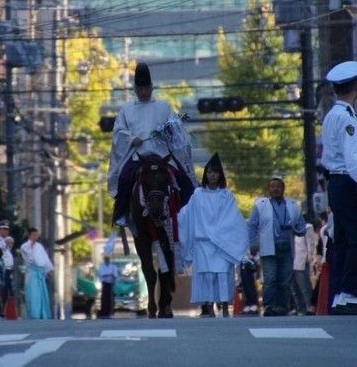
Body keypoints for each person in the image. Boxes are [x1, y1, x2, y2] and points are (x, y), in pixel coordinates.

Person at [107, 62, 197, 227]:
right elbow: (119, 132)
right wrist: (131, 138)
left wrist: (170, 130)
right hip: (138, 157)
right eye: (140, 89)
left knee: (184, 180)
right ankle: (121, 214)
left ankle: (190, 212)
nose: (143, 92)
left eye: (146, 88)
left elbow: (176, 129)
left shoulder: (164, 107)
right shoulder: (127, 109)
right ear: (135, 89)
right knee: (125, 178)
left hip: (162, 156)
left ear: (151, 87)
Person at [178, 153, 249, 317]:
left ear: (220, 175)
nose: (212, 175)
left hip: (221, 243)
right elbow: (187, 215)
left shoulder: (226, 195)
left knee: (223, 274)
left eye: (216, 172)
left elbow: (232, 218)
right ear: (205, 174)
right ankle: (210, 308)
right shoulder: (198, 195)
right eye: (209, 172)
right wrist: (174, 218)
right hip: (203, 244)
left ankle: (224, 306)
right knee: (207, 275)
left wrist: (218, 233)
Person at [321, 60, 357, 315]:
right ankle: (350, 292)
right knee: (355, 238)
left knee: (344, 239)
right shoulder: (346, 118)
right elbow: (352, 158)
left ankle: (342, 295)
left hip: (335, 182)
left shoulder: (332, 115)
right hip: (347, 180)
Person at [248, 177, 306, 316]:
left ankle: (281, 306)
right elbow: (252, 226)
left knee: (285, 280)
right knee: (270, 278)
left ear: (283, 189)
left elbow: (301, 225)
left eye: (278, 186)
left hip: (286, 248)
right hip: (268, 248)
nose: (275, 189)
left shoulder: (292, 205)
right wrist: (253, 243)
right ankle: (269, 306)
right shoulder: (260, 205)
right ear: (268, 189)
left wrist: (296, 229)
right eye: (272, 186)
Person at [20, 227, 54, 319]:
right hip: (32, 272)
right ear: (29, 235)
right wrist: (31, 246)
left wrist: (49, 270)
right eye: (34, 235)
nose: (35, 237)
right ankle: (34, 315)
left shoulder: (39, 246)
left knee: (42, 294)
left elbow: (45, 258)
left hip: (40, 272)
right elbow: (29, 259)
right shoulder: (24, 246)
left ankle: (43, 314)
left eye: (36, 235)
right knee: (33, 294)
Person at [97, 253, 118, 319]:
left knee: (110, 299)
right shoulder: (101, 266)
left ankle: (110, 312)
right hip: (104, 284)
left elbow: (115, 275)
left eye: (107, 259)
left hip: (110, 284)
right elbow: (101, 275)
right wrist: (108, 275)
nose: (106, 260)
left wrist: (109, 276)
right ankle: (104, 312)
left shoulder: (113, 266)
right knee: (104, 299)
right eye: (105, 259)